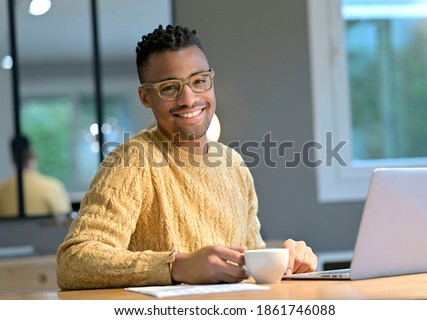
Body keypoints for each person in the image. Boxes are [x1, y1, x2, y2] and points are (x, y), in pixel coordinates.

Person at [56, 24, 317, 289]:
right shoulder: (133, 161)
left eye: (199, 81)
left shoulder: (234, 165)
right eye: (169, 88)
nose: (188, 99)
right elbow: (73, 263)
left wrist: (286, 263)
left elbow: (248, 263)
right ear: (145, 97)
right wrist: (177, 266)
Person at [0, 135, 72, 218]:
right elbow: (66, 224)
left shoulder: (2, 190)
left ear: (13, 159)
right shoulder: (53, 187)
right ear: (34, 155)